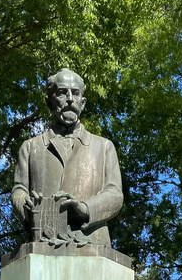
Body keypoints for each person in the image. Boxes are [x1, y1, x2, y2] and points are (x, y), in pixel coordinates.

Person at [11, 69, 124, 246]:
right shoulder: (31, 147)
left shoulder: (104, 147)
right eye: (63, 92)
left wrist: (85, 209)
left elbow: (115, 194)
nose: (70, 99)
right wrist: (27, 206)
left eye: (76, 93)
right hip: (43, 242)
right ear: (49, 101)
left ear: (83, 102)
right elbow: (19, 190)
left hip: (92, 243)